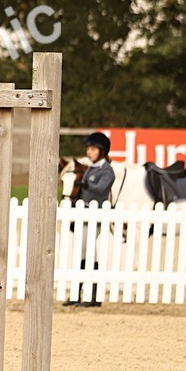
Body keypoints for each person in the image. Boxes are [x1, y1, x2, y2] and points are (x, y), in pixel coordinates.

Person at [64, 131, 114, 308]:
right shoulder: (90, 168)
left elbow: (101, 189)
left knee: (88, 252)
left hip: (96, 217)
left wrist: (86, 184)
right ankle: (77, 292)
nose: (89, 152)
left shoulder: (107, 170)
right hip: (83, 215)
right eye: (88, 149)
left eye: (93, 149)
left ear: (101, 151)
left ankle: (92, 294)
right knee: (81, 252)